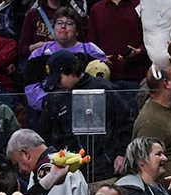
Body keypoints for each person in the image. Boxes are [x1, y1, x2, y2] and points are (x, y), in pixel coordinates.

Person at [37, 49, 131, 182]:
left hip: (105, 170)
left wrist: (122, 154)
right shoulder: (55, 98)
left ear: (71, 71)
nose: (57, 84)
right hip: (69, 174)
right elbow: (46, 135)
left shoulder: (103, 89)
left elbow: (126, 122)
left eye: (59, 79)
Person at [23, 7, 105, 113]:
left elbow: (102, 79)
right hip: (48, 109)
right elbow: (30, 83)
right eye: (59, 23)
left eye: (69, 23)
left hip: (85, 107)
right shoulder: (40, 52)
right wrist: (46, 102)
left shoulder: (90, 50)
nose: (63, 27)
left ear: (77, 31)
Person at [6, 127, 89, 195]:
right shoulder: (59, 165)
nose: (19, 170)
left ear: (25, 154)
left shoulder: (54, 169)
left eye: (17, 164)